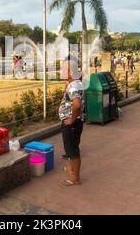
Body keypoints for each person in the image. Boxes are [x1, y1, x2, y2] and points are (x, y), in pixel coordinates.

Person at [58, 56, 85, 187]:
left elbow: (77, 104)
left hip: (72, 125)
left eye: (63, 69)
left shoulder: (73, 86)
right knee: (71, 149)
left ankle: (75, 178)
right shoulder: (76, 83)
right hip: (76, 124)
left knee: (73, 151)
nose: (61, 71)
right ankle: (71, 169)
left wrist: (71, 120)